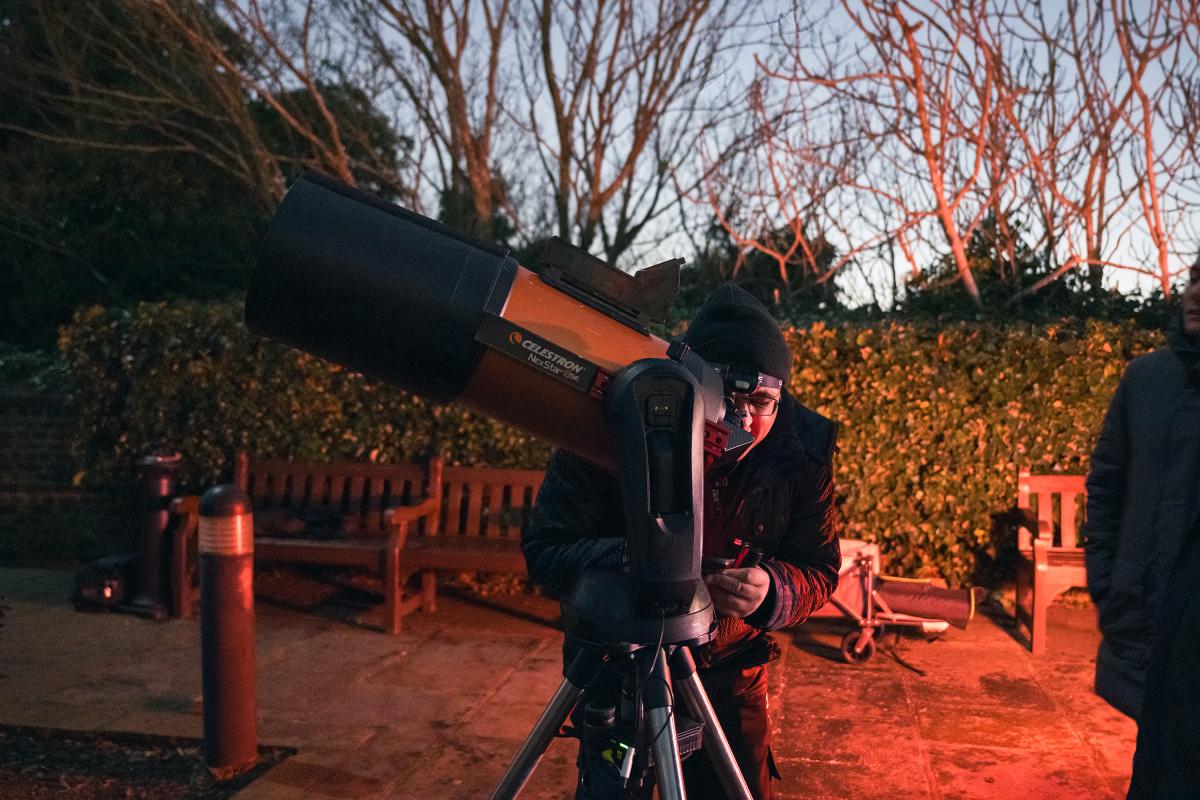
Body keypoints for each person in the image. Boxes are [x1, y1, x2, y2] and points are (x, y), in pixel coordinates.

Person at [522, 284, 842, 799]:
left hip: (726, 665)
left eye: (763, 402)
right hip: (616, 661)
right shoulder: (612, 423)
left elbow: (820, 569)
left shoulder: (800, 452)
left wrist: (773, 589)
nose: (744, 421)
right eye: (728, 400)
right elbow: (547, 550)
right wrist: (641, 560)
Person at [1084, 256, 1200, 797]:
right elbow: (1106, 484)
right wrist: (1108, 580)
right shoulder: (1148, 378)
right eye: (1195, 280)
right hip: (1149, 614)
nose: (1196, 293)